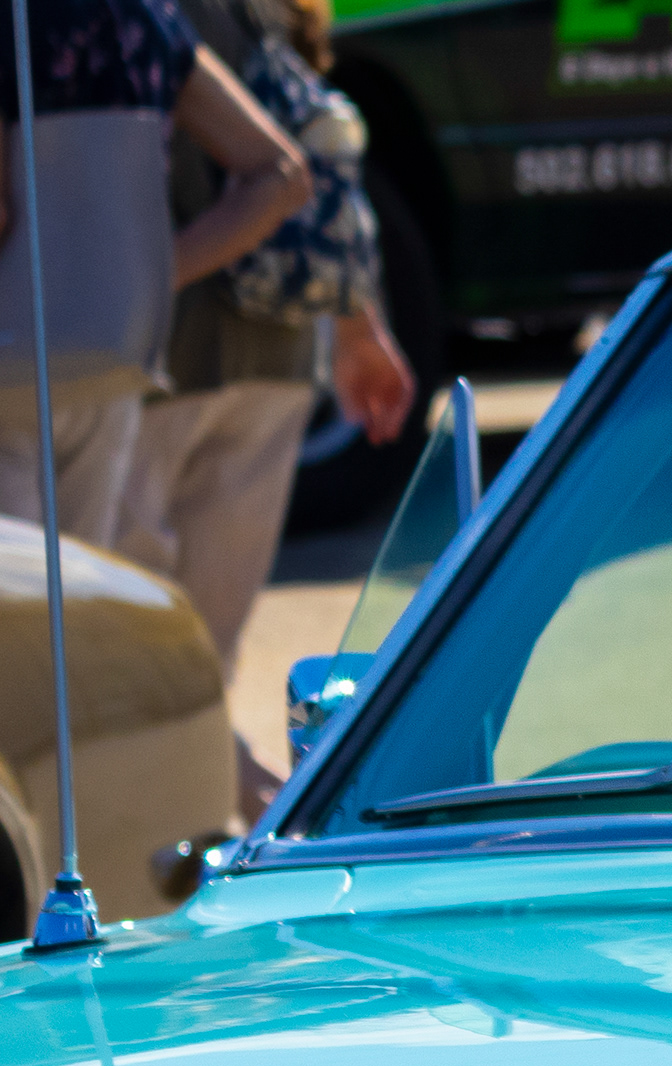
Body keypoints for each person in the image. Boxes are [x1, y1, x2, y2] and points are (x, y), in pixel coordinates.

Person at [115, 0, 407, 811]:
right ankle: (268, 821)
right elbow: (316, 164)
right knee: (202, 660)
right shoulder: (268, 11)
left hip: (156, 351)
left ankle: (258, 823)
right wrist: (356, 325)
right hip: (278, 351)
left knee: (138, 658)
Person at [0, 0, 306, 543]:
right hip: (112, 351)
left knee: (14, 606)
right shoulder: (145, 16)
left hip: (10, 356)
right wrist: (153, 273)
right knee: (77, 602)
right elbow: (282, 175)